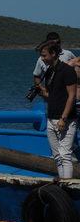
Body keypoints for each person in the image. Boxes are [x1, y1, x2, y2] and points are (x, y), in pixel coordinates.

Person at [37, 40, 78, 179]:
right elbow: (52, 95)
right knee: (57, 155)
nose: (42, 59)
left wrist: (63, 118)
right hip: (51, 117)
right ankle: (62, 182)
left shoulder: (67, 71)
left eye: (44, 55)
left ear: (53, 54)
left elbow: (71, 96)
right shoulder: (49, 71)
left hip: (65, 119)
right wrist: (41, 91)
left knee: (65, 154)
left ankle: (67, 186)